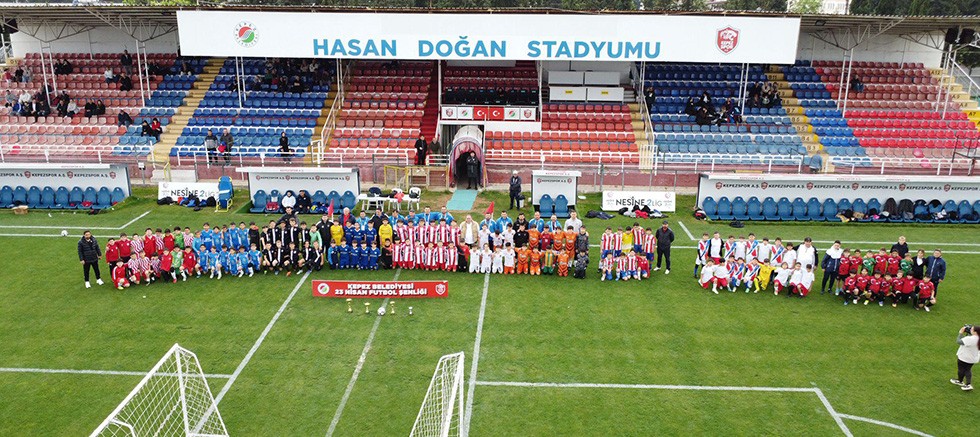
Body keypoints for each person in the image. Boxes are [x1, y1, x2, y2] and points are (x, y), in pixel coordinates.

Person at [951, 325, 979, 391]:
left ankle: (960, 381)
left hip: (964, 357)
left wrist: (960, 333)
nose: (970, 330)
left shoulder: (970, 339)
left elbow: (959, 341)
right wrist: (969, 334)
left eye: (971, 329)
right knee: (968, 369)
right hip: (973, 358)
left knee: (961, 369)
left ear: (975, 332)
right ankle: (968, 384)